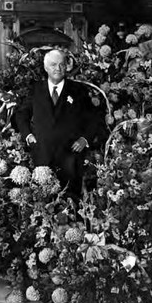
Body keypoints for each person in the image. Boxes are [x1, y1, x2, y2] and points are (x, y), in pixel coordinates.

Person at [15, 49, 97, 197]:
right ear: (46, 68)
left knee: (71, 202)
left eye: (61, 64)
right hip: (42, 154)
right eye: (53, 65)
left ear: (66, 67)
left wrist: (85, 139)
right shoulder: (35, 89)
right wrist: (27, 135)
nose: (57, 69)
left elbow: (93, 118)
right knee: (43, 201)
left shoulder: (79, 90)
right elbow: (21, 115)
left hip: (70, 157)